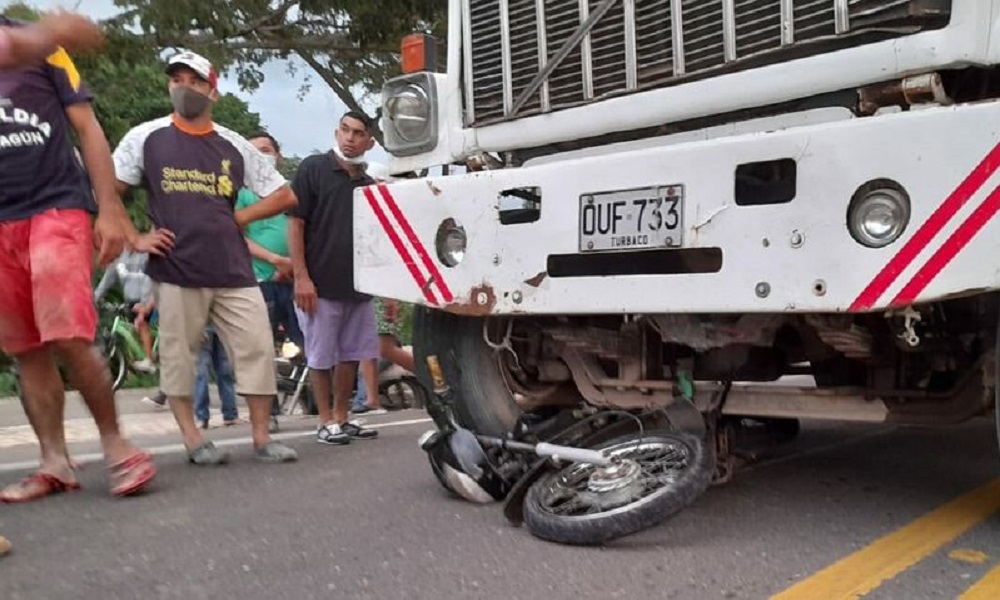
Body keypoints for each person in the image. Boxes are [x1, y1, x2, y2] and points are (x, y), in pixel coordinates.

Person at [113, 51, 299, 465]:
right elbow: (108, 189)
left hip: (234, 268)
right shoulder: (146, 137)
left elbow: (285, 193)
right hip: (177, 268)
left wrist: (241, 217)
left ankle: (261, 437)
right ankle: (194, 440)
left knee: (256, 349)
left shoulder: (232, 143)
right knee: (180, 356)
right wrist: (134, 236)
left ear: (211, 90)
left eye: (194, 81)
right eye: (177, 79)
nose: (184, 87)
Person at [0, 15, 156, 505]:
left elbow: (87, 127)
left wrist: (109, 208)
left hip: (56, 207)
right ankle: (54, 461)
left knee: (67, 334)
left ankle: (117, 444)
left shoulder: (39, 49)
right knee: (25, 348)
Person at [289, 111, 381, 445]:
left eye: (358, 133)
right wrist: (301, 276)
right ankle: (324, 420)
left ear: (369, 142)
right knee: (320, 354)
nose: (350, 138)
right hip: (319, 284)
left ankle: (342, 416)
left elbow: (375, 240)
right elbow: (295, 222)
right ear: (336, 131)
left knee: (352, 354)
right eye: (345, 130)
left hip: (358, 286)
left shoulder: (369, 186)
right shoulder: (313, 169)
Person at [234, 131, 302, 433]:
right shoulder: (240, 193)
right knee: (262, 350)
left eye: (266, 149)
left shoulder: (289, 192)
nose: (261, 155)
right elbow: (236, 237)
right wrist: (275, 262)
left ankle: (324, 407)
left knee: (310, 344)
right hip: (259, 281)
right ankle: (268, 413)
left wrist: (296, 268)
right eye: (253, 151)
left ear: (278, 154)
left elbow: (303, 231)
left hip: (295, 281)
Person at [93, 248, 157, 372]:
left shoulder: (145, 256)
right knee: (134, 330)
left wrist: (144, 304)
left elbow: (148, 279)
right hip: (131, 301)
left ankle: (149, 360)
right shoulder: (119, 258)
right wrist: (94, 299)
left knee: (142, 324)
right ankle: (146, 357)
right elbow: (107, 280)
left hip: (148, 299)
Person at [352, 298, 416, 414]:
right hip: (361, 299)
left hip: (377, 298)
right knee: (367, 348)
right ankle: (371, 399)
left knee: (384, 347)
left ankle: (433, 378)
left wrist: (389, 300)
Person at [193, 323, 239, 429]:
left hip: (220, 327)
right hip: (204, 324)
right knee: (202, 374)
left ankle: (230, 414)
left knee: (225, 371)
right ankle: (202, 416)